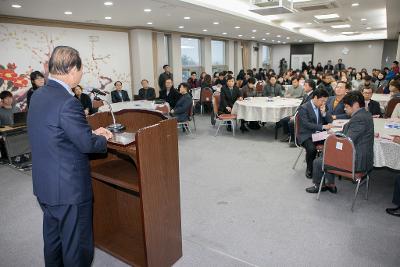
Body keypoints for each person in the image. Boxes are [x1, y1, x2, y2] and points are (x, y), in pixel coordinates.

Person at [27, 46, 112, 267]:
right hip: (68, 190)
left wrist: (88, 133)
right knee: (77, 248)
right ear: (73, 69)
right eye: (81, 69)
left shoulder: (38, 95)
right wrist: (103, 138)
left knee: (54, 242)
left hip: (45, 185)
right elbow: (86, 144)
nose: (82, 74)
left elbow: (54, 133)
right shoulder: (68, 101)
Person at [306, 91, 374, 194]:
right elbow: (348, 134)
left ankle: (319, 185)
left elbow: (347, 141)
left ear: (355, 105)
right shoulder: (365, 114)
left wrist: (332, 140)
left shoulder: (359, 119)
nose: (345, 109)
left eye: (346, 106)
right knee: (327, 153)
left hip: (356, 161)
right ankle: (330, 184)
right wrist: (335, 133)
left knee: (318, 161)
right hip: (358, 153)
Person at [297, 88, 332, 178]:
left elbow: (330, 120)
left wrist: (324, 113)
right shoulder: (304, 108)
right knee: (312, 149)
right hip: (306, 134)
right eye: (322, 101)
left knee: (333, 142)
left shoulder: (322, 106)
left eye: (325, 101)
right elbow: (306, 124)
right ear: (315, 97)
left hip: (319, 134)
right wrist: (322, 127)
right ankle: (309, 168)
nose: (324, 103)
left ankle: (327, 168)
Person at [280, 79, 316, 146]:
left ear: (311, 87)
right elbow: (300, 107)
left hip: (307, 117)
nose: (303, 87)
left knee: (291, 122)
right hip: (299, 114)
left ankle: (295, 141)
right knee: (284, 120)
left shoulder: (313, 97)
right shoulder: (306, 95)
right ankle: (289, 135)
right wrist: (294, 115)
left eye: (305, 85)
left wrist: (296, 117)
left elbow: (308, 110)